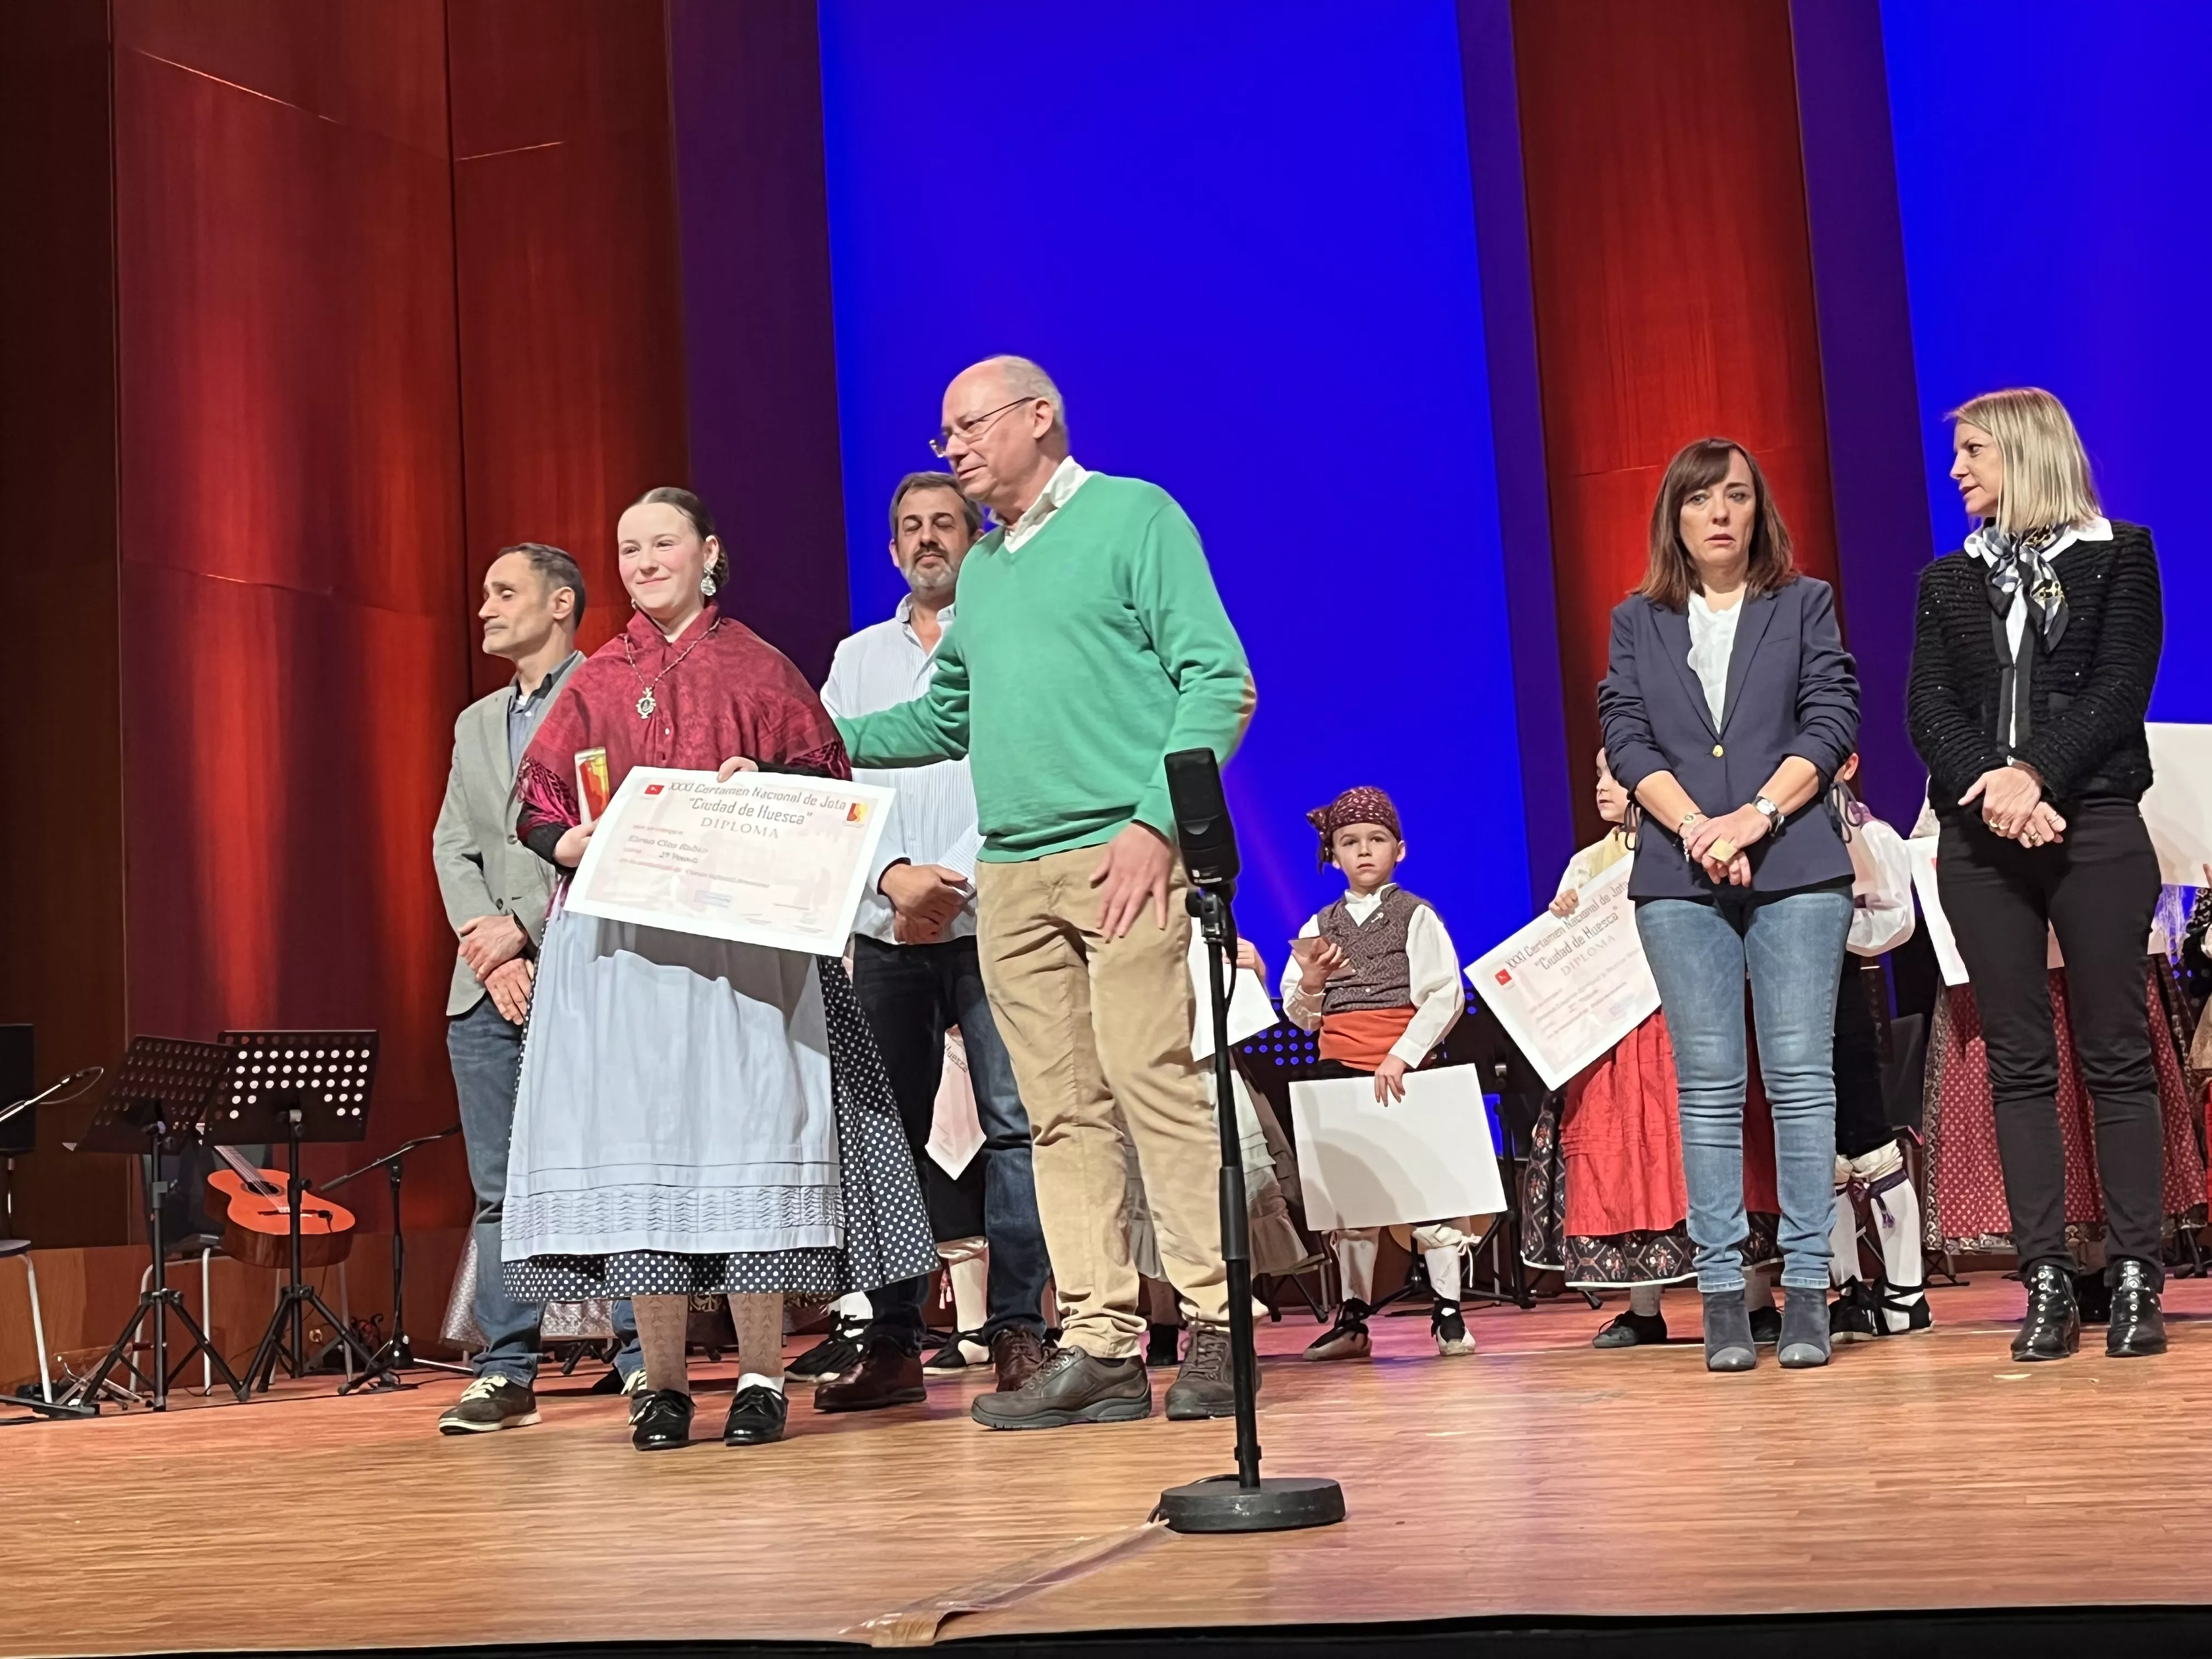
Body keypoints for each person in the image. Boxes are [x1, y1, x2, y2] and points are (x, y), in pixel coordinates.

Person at [834, 356, 1255, 1430]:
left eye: (970, 425)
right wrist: (812, 743)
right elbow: (944, 721)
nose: (956, 447)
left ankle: (1215, 1327)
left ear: (1041, 417)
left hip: (1121, 854)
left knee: (1151, 1085)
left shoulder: (1133, 518)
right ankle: (1105, 1346)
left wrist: (1157, 826)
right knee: (1062, 1116)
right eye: (945, 434)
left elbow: (1219, 677)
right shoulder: (984, 572)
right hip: (1014, 876)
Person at [500, 487, 937, 1452]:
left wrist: (769, 789)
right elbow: (532, 802)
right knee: (645, 1157)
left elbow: (830, 793)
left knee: (745, 1149)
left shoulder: (761, 668)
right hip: (617, 956)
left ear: (708, 553)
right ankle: (657, 1384)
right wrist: (570, 841)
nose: (644, 560)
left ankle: (758, 1376)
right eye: (626, 548)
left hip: (742, 952)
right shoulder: (596, 678)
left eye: (662, 542)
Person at [1905, 387, 2170, 1362]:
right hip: (1980, 834)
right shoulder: (1946, 579)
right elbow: (1927, 705)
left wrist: (2035, 774)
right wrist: (1992, 785)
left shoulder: (2121, 554)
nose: (1957, 470)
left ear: (2024, 453)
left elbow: (2118, 684)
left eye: (1972, 451)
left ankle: (2135, 1272)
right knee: (2017, 1061)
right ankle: (2048, 1277)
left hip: (2092, 818)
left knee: (2114, 1049)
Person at [1599, 437, 1859, 1373]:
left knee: (1798, 1080)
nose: (1718, 513)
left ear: (1759, 511)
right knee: (1706, 1089)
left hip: (1794, 864)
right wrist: (1699, 831)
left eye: (1736, 496)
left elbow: (1831, 719)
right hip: (1676, 875)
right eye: (1700, 498)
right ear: (1673, 515)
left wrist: (1750, 819)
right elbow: (1623, 734)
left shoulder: (1803, 601)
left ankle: (1804, 1295)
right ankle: (1717, 1300)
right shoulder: (1638, 618)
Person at [810, 471, 1052, 1410]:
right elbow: (835, 780)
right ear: (890, 548)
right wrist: (892, 875)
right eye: (909, 526)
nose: (925, 540)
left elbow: (1021, 774)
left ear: (975, 537)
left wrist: (945, 883)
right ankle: (896, 1338)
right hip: (885, 925)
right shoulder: (855, 655)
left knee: (1016, 1126)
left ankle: (1019, 1331)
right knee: (885, 1136)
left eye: (944, 524)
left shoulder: (1005, 642)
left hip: (992, 918)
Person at [430, 543, 642, 1433]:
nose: (484, 604)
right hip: (487, 988)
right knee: (498, 1185)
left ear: (561, 604)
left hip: (590, 967)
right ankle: (507, 1365)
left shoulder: (611, 695)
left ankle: (642, 1354)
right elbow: (452, 843)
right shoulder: (477, 720)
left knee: (619, 1171)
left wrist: (527, 928)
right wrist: (494, 950)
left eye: (502, 590)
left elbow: (621, 829)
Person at [1520, 749, 1782, 1348]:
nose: (1603, 786)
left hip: (1692, 1016)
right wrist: (1563, 920)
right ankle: (1644, 1307)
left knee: (1724, 1146)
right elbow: (1567, 963)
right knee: (1630, 1155)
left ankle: (1757, 1299)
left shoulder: (1698, 846)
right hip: (1620, 1038)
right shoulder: (1588, 865)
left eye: (1615, 774)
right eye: (1596, 774)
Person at [1280, 787, 1476, 1361]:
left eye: (1376, 840)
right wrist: (1314, 981)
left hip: (1402, 1069)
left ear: (1400, 850)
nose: (1363, 852)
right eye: (1349, 843)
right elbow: (1299, 1011)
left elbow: (1444, 996)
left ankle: (1448, 1313)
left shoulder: (1416, 915)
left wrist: (1403, 1054)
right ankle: (1353, 1318)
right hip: (1339, 1069)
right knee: (1351, 1202)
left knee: (1430, 1193)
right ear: (1334, 855)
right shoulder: (1320, 923)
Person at [1822, 755, 1928, 1340]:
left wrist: (1829, 924)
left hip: (1845, 988)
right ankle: (1848, 1289)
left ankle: (1907, 1293)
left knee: (1868, 1136)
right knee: (1820, 1146)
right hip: (1788, 994)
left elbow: (1897, 922)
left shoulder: (1869, 833)